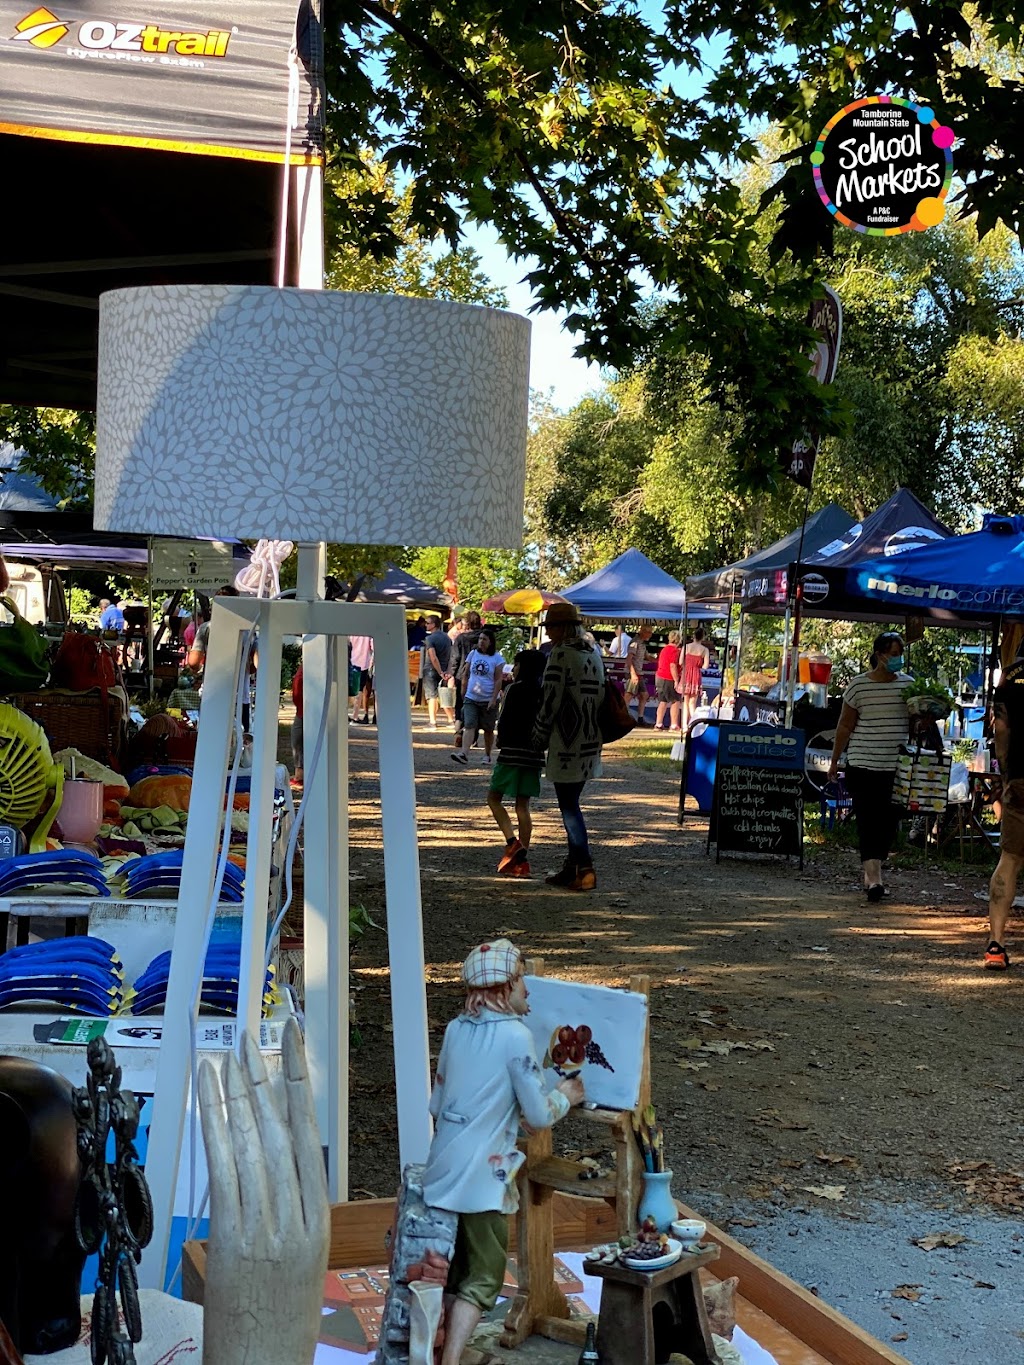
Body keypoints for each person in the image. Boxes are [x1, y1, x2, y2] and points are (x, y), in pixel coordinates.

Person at [420, 940, 584, 1365]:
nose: (527, 989)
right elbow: (539, 1113)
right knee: (485, 1274)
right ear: (504, 987)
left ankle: (440, 1351)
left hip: (443, 1165)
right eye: (521, 979)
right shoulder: (515, 1036)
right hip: (480, 1178)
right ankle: (452, 1359)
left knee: (452, 1266)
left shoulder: (457, 1029)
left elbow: (437, 1104)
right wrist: (565, 1095)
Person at [827, 632, 910, 902]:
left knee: (888, 820)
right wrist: (835, 760)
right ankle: (874, 877)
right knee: (867, 819)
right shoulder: (858, 686)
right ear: (879, 655)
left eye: (900, 653)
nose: (897, 658)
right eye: (892, 653)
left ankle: (873, 868)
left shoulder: (909, 686)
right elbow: (845, 725)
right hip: (862, 762)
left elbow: (918, 720)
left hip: (895, 766)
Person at [533, 601, 604, 890]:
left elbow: (550, 700)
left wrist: (538, 735)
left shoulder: (560, 654)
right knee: (570, 802)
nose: (548, 632)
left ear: (563, 628)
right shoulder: (594, 653)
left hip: (566, 740)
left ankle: (584, 866)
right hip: (590, 739)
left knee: (569, 806)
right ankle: (572, 867)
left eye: (551, 626)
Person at [487, 650, 546, 877]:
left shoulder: (513, 689)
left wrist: (499, 743)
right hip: (534, 754)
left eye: (517, 664)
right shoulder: (543, 692)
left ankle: (512, 842)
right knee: (522, 806)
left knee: (494, 798)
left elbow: (504, 719)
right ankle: (522, 859)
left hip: (511, 752)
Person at [983, 643, 1024, 969]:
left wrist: (1006, 772)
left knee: (1010, 859)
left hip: (1021, 781)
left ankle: (995, 946)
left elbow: (1001, 728)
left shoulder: (1010, 676)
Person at [452, 627, 504, 765]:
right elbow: (466, 672)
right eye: (480, 639)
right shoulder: (473, 654)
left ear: (490, 642)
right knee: (469, 724)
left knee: (488, 729)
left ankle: (487, 755)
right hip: (471, 696)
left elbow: (498, 679)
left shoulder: (497, 658)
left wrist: (493, 698)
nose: (481, 642)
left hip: (488, 698)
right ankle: (464, 753)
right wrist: (463, 689)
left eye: (484, 639)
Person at [449, 610, 483, 742]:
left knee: (460, 704)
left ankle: (458, 732)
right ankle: (473, 737)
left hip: (461, 675)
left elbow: (455, 658)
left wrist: (451, 674)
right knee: (477, 705)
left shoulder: (460, 638)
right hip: (480, 676)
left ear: (467, 623)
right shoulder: (485, 638)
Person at [422, 614, 455, 729]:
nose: (425, 625)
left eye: (427, 623)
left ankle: (432, 722)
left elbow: (433, 657)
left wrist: (439, 671)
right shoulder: (447, 638)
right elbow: (452, 655)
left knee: (432, 696)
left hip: (432, 669)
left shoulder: (429, 639)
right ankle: (451, 720)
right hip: (445, 669)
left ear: (434, 624)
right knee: (445, 694)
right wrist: (447, 671)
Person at [679, 626, 711, 734]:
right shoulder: (704, 650)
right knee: (692, 702)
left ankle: (684, 725)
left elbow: (680, 662)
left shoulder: (686, 647)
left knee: (685, 701)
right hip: (696, 675)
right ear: (703, 637)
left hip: (686, 674)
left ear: (693, 636)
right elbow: (705, 666)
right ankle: (693, 724)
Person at [624, 625, 653, 726]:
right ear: (643, 632)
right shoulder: (635, 642)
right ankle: (623, 716)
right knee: (629, 695)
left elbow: (648, 657)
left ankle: (640, 719)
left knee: (644, 695)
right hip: (633, 673)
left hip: (639, 673)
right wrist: (632, 673)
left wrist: (661, 660)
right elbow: (629, 659)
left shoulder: (642, 644)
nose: (651, 635)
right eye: (649, 632)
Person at [653, 630, 682, 731]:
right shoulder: (674, 651)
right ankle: (673, 725)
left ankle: (658, 723)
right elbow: (673, 665)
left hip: (659, 676)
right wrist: (676, 680)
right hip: (668, 677)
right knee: (675, 701)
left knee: (663, 701)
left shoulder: (664, 649)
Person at [350, 635, 374, 724]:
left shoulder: (352, 632)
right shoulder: (368, 634)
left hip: (351, 661)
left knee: (349, 688)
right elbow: (373, 648)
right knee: (359, 690)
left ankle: (346, 714)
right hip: (363, 664)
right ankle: (355, 716)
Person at [291, 664, 304, 784]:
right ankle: (298, 773)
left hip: (304, 710)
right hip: (301, 709)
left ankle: (300, 774)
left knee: (298, 739)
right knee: (297, 739)